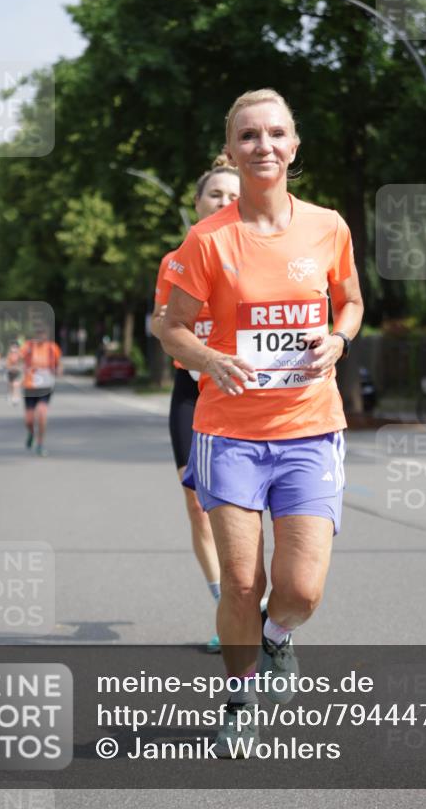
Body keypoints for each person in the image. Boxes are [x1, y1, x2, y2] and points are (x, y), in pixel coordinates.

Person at [161, 88, 364, 756]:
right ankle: (241, 697)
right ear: (231, 149)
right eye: (248, 136)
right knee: (243, 581)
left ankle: (279, 640)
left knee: (300, 590)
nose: (264, 146)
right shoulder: (207, 240)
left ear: (294, 144)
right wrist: (209, 357)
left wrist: (337, 339)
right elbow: (172, 328)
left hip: (310, 427)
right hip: (230, 433)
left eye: (276, 133)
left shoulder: (328, 226)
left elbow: (351, 302)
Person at [151, 156, 240, 654]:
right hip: (192, 392)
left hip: (244, 394)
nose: (225, 202)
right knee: (197, 505)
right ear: (197, 203)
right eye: (215, 195)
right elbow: (158, 326)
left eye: (233, 195)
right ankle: (226, 603)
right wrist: (163, 322)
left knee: (248, 505)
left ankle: (251, 600)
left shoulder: (255, 253)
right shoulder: (175, 261)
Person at [21, 327, 62, 457]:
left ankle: (40, 444)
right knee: (29, 420)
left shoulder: (52, 348)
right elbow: (17, 358)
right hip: (30, 386)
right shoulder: (28, 346)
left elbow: (59, 364)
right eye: (38, 334)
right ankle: (31, 433)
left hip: (45, 386)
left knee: (42, 414)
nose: (41, 337)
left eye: (43, 334)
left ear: (47, 335)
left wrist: (59, 370)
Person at [5, 341, 23, 405]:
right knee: (11, 385)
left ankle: (16, 397)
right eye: (12, 347)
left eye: (15, 347)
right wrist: (10, 368)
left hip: (18, 372)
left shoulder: (20, 354)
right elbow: (7, 364)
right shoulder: (9, 355)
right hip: (10, 372)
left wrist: (19, 367)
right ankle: (11, 394)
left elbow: (22, 363)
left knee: (16, 384)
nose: (14, 348)